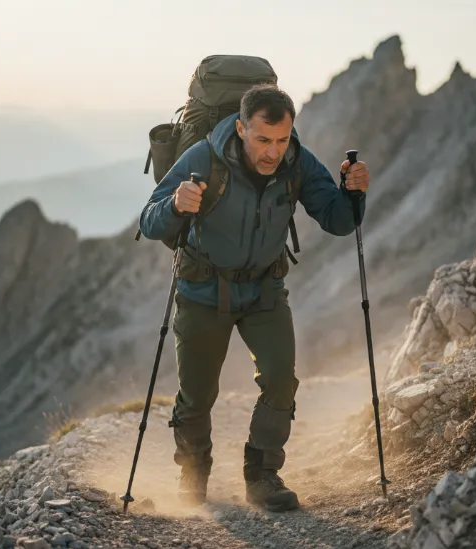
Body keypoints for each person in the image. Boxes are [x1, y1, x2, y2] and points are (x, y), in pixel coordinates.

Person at [138, 84, 370, 512]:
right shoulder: (204, 158)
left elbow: (338, 221)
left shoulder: (297, 161)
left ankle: (262, 475)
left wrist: (354, 193)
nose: (273, 152)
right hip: (203, 290)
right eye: (263, 140)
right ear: (242, 128)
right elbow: (149, 221)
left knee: (281, 379)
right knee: (197, 396)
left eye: (282, 140)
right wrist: (175, 203)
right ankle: (193, 476)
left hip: (265, 288)